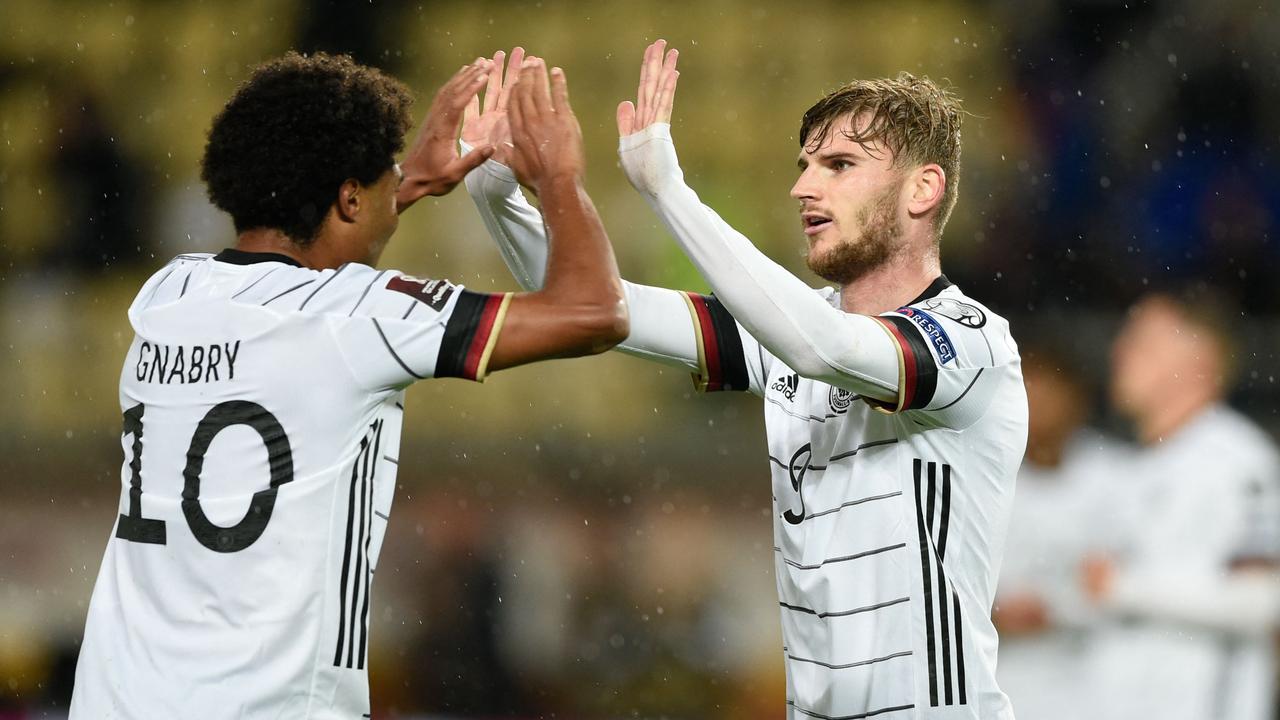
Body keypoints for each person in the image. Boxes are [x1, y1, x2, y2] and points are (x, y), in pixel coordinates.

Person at [463, 42, 1027, 719]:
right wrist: (498, 198)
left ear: (922, 189)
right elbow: (601, 307)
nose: (803, 188)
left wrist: (668, 191)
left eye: (840, 166)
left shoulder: (971, 343)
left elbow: (823, 349)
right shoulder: (790, 336)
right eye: (804, 167)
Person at [69, 51, 628, 719]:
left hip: (115, 699)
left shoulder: (166, 294)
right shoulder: (359, 314)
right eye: (384, 174)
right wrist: (559, 177)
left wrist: (407, 180)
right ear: (348, 197)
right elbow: (596, 312)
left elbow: (305, 255)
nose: (399, 182)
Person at [1081, 289, 1280, 720]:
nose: (1120, 351)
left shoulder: (1239, 461)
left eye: (1143, 342)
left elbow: (1262, 599)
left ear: (1200, 360)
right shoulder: (1131, 468)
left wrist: (1126, 588)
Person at [992, 339, 1121, 720]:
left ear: (1078, 399)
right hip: (1004, 679)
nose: (1038, 406)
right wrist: (995, 613)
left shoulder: (1117, 475)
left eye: (1050, 392)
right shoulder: (978, 475)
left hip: (1093, 681)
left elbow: (1131, 575)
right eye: (1028, 391)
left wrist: (1065, 610)